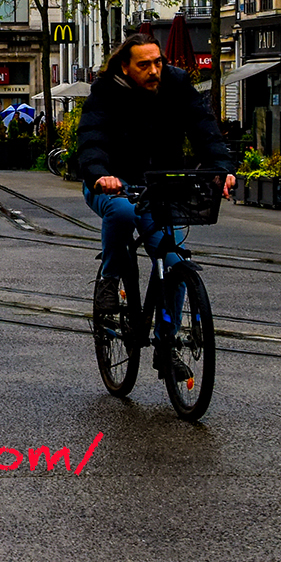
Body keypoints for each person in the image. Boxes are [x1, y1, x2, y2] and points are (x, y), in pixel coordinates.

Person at [74, 32, 236, 378]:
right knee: (120, 211)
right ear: (125, 66)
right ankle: (110, 277)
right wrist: (101, 174)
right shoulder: (106, 90)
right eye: (143, 64)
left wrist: (221, 171)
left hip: (163, 186)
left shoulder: (177, 84)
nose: (154, 70)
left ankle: (166, 343)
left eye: (158, 62)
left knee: (174, 263)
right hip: (113, 183)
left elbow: (206, 131)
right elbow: (92, 139)